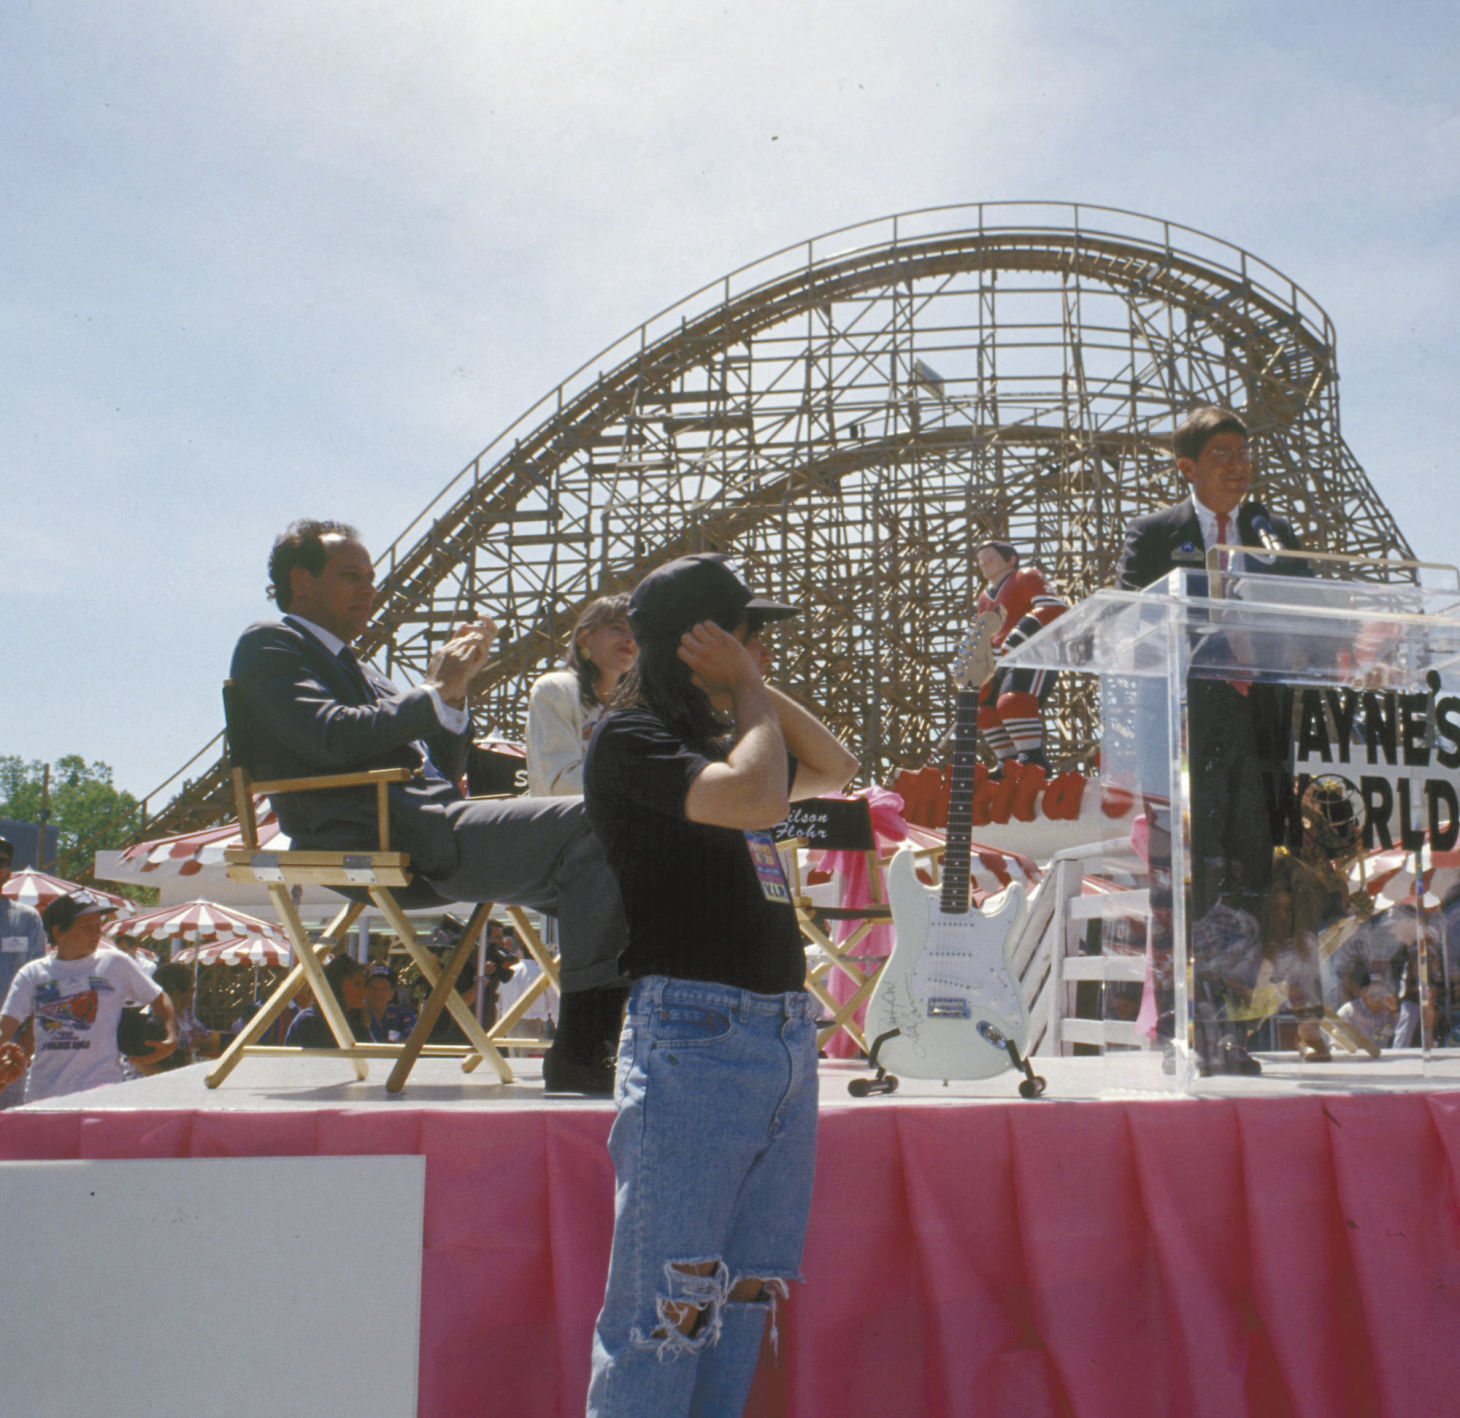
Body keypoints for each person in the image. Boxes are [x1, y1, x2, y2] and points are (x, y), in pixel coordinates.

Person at [583, 552, 858, 1417]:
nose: (763, 652)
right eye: (750, 636)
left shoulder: (731, 737)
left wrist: (745, 687)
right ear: (700, 643)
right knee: (665, 1313)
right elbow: (757, 801)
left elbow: (835, 766)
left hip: (776, 1034)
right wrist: (739, 688)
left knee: (739, 1302)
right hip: (695, 1036)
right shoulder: (629, 740)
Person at [228, 518, 629, 1093]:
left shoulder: (365, 670)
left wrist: (455, 695)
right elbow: (328, 735)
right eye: (351, 576)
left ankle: (606, 1042)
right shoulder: (271, 644)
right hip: (377, 835)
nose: (370, 588)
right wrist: (432, 694)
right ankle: (587, 1049)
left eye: (371, 576)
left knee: (623, 856)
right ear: (301, 582)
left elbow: (444, 766)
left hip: (429, 827)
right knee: (599, 820)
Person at [1114, 405, 1311, 1075]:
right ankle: (1192, 1025)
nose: (1239, 464)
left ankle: (1230, 1024)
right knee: (1197, 874)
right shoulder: (1154, 534)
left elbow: (1310, 613)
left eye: (1244, 452)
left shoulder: (1272, 532)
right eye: (1223, 453)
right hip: (1188, 724)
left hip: (1257, 732)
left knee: (1251, 871)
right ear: (1188, 468)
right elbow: (1125, 624)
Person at [0, 891, 177, 1104]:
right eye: (86, 927)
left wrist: (171, 1036)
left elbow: (159, 998)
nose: (96, 934)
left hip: (101, 1095)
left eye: (98, 926)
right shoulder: (33, 974)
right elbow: (6, 1025)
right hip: (44, 1096)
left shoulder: (115, 964)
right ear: (58, 932)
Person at [972, 540, 1068, 773]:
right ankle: (1007, 760)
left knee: (1013, 700)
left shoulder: (1026, 577)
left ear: (1010, 559)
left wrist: (1017, 636)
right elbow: (984, 633)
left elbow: (1053, 608)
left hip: (1032, 652)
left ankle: (1033, 759)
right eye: (981, 560)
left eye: (990, 557)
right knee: (983, 709)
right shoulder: (984, 598)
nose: (984, 563)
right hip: (998, 660)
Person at [526, 595, 638, 795]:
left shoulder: (638, 704)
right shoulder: (556, 690)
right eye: (617, 628)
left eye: (636, 631)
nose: (630, 639)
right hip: (571, 820)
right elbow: (560, 784)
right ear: (584, 639)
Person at [0, 838, 46, 1109]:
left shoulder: (28, 919)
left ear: (8, 871)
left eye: (1, 862)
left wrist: (30, 1036)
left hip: (11, 1046)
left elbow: (39, 983)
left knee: (6, 1125)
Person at [284, 953, 370, 1048]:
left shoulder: (354, 1020)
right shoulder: (310, 1021)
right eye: (357, 985)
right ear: (337, 986)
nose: (364, 992)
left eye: (364, 985)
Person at [363, 964, 417, 1043]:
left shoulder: (403, 1014)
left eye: (383, 988)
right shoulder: (357, 1015)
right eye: (373, 988)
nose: (378, 993)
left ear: (391, 994)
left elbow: (412, 1042)